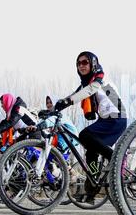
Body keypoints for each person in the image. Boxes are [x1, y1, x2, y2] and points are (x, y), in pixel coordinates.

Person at [54, 51, 127, 203]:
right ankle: (91, 191)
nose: (81, 66)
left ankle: (117, 158)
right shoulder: (86, 83)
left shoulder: (100, 77)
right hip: (106, 119)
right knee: (90, 153)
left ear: (93, 63)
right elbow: (75, 94)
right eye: (78, 63)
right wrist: (54, 109)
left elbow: (90, 90)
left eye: (85, 62)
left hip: (116, 117)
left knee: (84, 135)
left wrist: (68, 101)